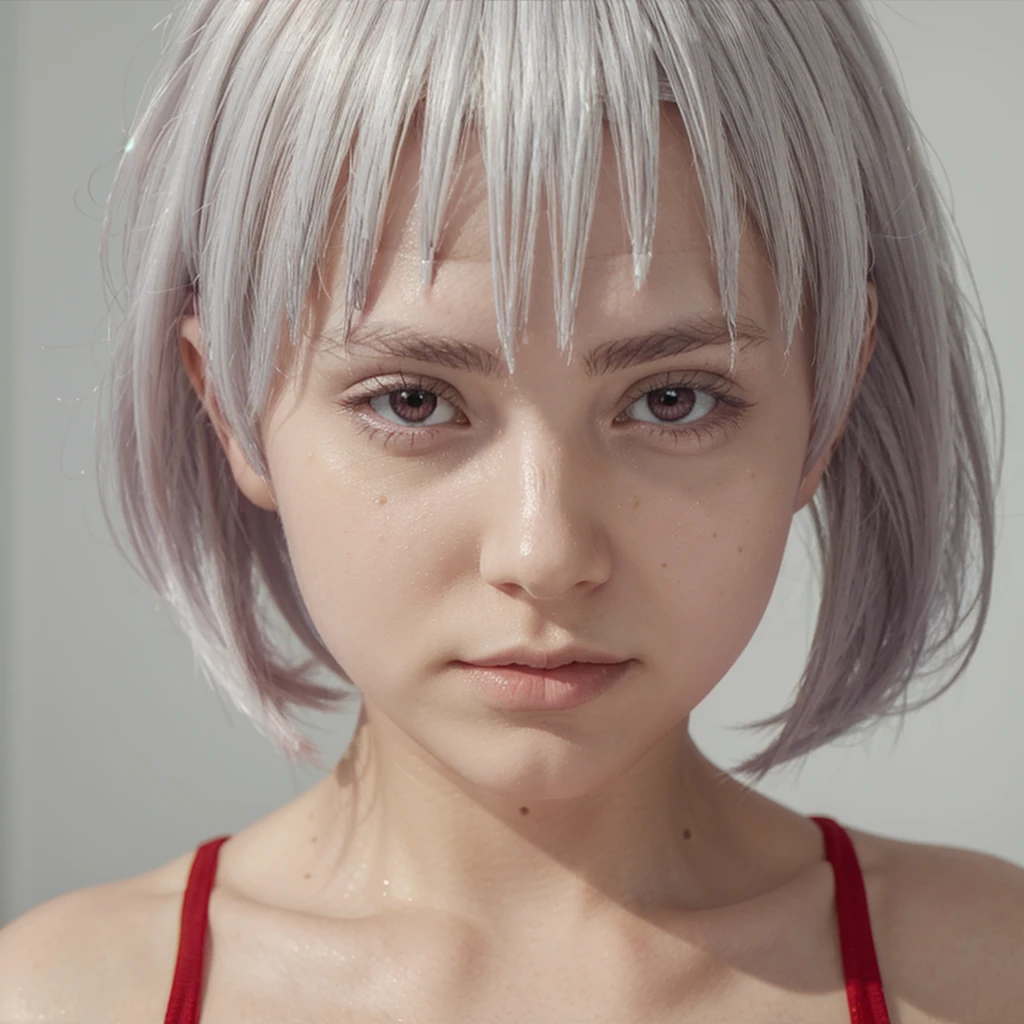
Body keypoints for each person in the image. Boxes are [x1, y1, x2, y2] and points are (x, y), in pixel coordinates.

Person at [1, 1, 1021, 1021]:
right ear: (228, 403)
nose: (544, 552)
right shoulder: (54, 999)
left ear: (830, 400)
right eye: (413, 401)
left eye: (674, 398)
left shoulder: (990, 974)